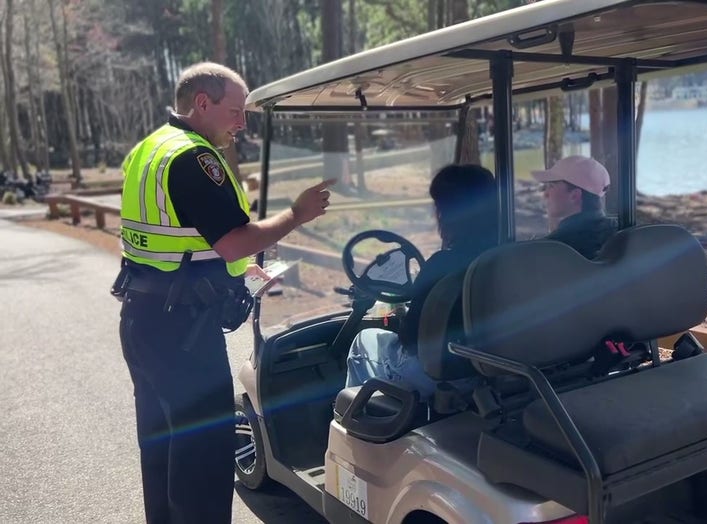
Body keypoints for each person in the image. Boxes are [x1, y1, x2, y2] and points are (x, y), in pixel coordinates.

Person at [114, 62, 334, 524]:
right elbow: (232, 238)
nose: (241, 123)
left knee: (163, 443)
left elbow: (178, 240)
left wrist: (246, 273)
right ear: (202, 104)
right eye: (235, 111)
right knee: (205, 456)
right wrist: (297, 213)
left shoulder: (148, 149)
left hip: (143, 317)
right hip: (183, 334)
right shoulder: (195, 158)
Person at [345, 164, 499, 398]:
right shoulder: (505, 255)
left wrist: (403, 314)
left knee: (363, 341)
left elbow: (409, 338)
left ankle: (359, 421)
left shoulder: (442, 264)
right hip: (492, 370)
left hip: (442, 377)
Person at [531, 155, 616, 259]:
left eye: (551, 186)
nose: (545, 194)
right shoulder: (621, 233)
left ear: (575, 196)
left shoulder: (548, 250)